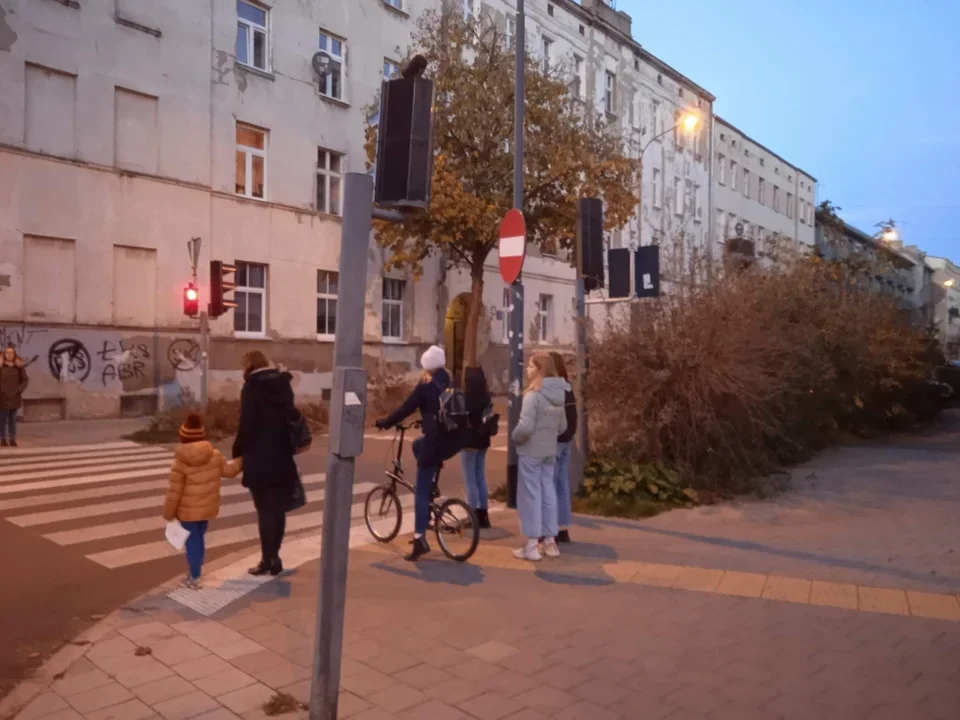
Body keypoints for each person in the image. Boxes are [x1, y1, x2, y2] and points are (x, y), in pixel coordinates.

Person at [376, 345, 461, 561]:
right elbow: (436, 411)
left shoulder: (425, 386)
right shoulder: (449, 383)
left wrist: (385, 423)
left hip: (435, 442)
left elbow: (405, 408)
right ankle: (434, 477)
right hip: (451, 442)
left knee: (420, 492)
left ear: (426, 367)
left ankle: (419, 539)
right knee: (417, 446)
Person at [232, 350, 299, 576]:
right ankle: (275, 556)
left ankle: (267, 559)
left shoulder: (252, 387)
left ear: (249, 366)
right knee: (278, 509)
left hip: (259, 457)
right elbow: (290, 415)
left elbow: (246, 424)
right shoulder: (283, 384)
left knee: (264, 510)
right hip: (282, 455)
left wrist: (238, 451)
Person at [163, 413, 242, 589]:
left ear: (182, 437)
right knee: (198, 539)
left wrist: (168, 513)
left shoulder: (180, 462)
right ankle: (196, 570)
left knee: (192, 541)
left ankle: (194, 576)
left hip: (188, 511)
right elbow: (229, 471)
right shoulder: (214, 456)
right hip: (206, 509)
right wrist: (241, 460)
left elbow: (174, 492)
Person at [512, 353, 567, 561]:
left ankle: (532, 545)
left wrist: (515, 437)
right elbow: (562, 427)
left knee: (531, 496)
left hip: (530, 452)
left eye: (530, 367)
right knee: (548, 494)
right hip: (549, 452)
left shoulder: (533, 395)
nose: (527, 370)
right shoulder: (558, 395)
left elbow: (525, 427)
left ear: (539, 370)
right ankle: (550, 541)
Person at [549, 352, 578, 544]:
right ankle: (563, 528)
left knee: (549, 486)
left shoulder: (552, 389)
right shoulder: (567, 387)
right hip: (567, 440)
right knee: (561, 485)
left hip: (555, 441)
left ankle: (550, 530)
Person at [460, 366, 493, 529]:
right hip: (483, 440)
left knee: (469, 480)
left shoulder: (465, 398)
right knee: (480, 477)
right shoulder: (486, 397)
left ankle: (471, 515)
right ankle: (483, 515)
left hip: (468, 441)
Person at [0, 345, 28, 448]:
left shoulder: (19, 367)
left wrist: (19, 390)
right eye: (7, 352)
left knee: (12, 420)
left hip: (14, 397)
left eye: (11, 353)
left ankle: (12, 439)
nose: (9, 354)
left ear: (14, 354)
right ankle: (2, 439)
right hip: (2, 398)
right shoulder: (1, 366)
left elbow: (25, 380)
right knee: (2, 420)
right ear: (4, 354)